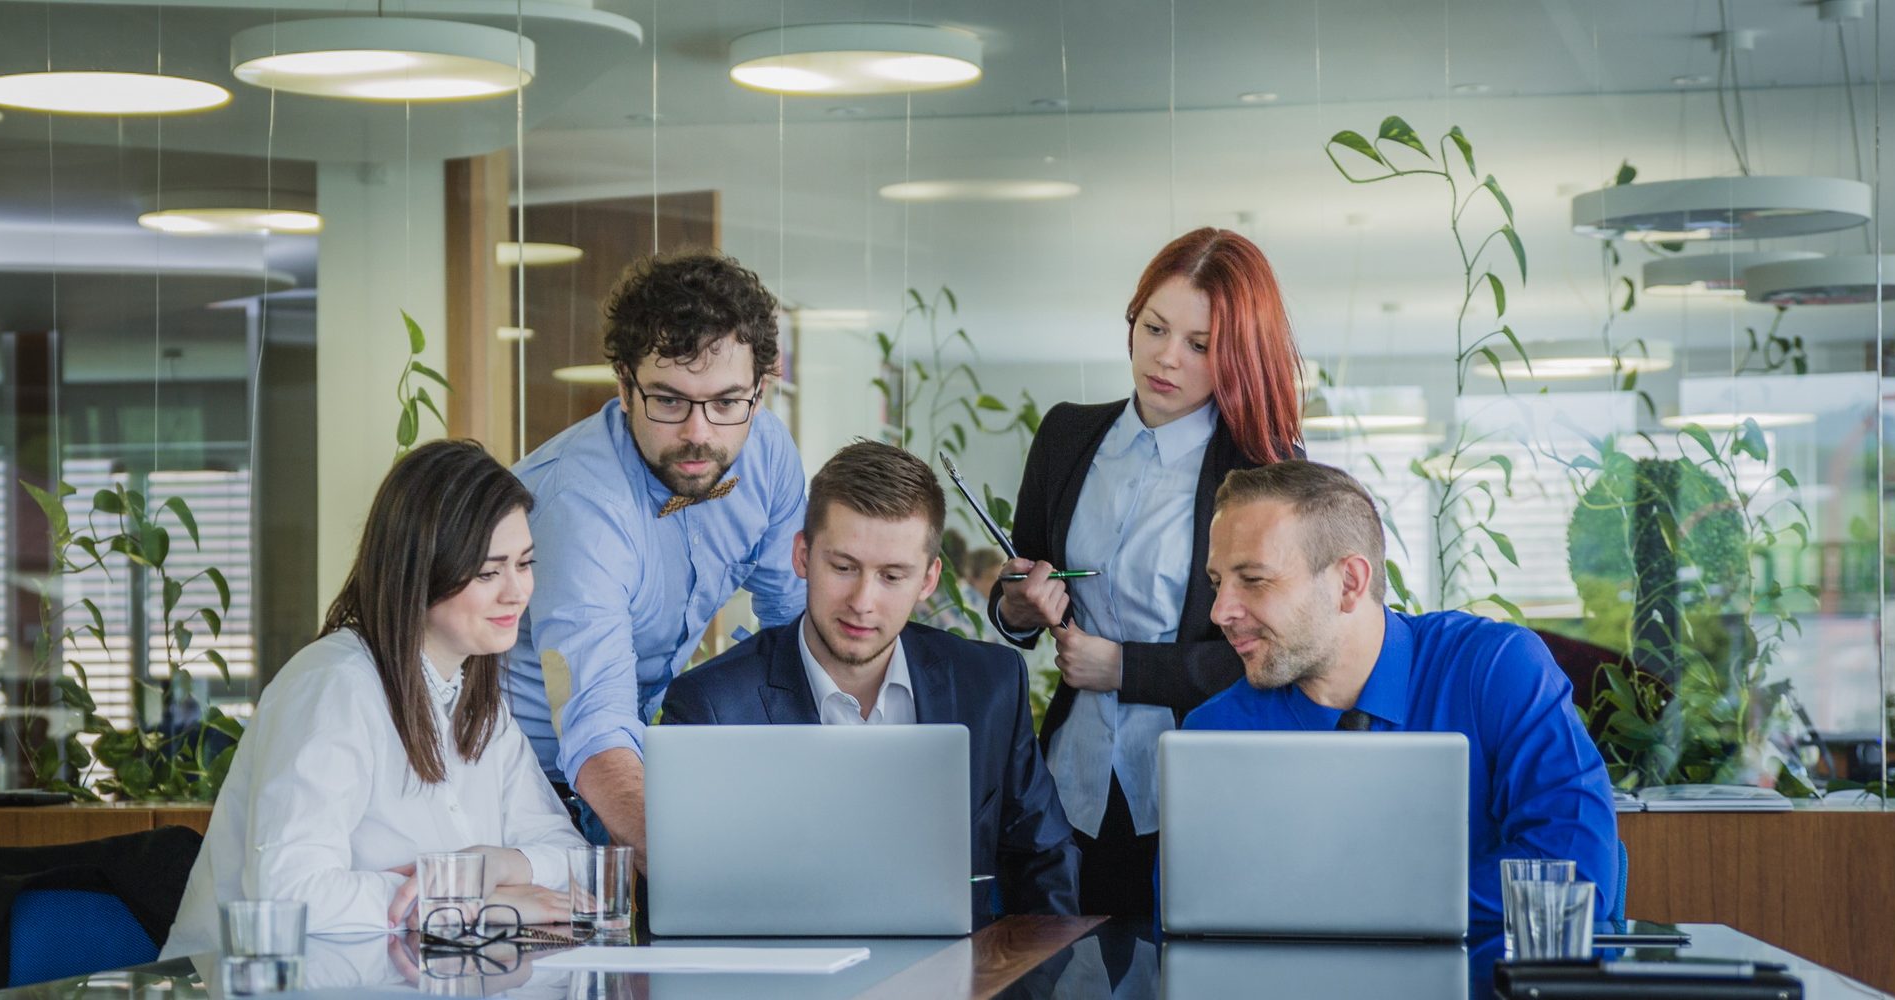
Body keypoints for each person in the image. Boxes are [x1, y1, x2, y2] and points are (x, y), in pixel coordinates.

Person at [163, 441, 587, 957]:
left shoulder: (478, 702)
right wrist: (475, 903)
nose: (518, 591)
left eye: (525, 563)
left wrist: (494, 866)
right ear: (422, 569)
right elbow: (288, 895)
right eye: (488, 572)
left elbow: (574, 861)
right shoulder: (334, 687)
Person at [989, 227, 1305, 918]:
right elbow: (1023, 583)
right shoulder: (1068, 436)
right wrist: (1017, 608)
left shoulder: (1265, 476)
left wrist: (1125, 667)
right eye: (1155, 328)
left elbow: (1281, 657)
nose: (1166, 358)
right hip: (1070, 783)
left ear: (1239, 357)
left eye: (1200, 345)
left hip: (1200, 788)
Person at [1188, 460, 1619, 923]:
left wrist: (1355, 904)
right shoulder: (1216, 734)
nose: (1220, 611)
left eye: (1253, 580)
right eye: (1217, 583)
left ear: (1349, 583)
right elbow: (1192, 917)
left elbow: (1578, 874)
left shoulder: (1495, 671)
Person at [662, 442, 1079, 916]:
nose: (862, 601)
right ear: (802, 556)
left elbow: (1045, 861)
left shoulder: (989, 685)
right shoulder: (711, 707)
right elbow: (696, 903)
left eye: (893, 576)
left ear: (927, 580)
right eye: (843, 568)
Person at [506, 249, 808, 853]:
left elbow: (793, 630)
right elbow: (590, 720)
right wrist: (702, 876)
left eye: (726, 402)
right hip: (528, 784)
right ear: (624, 384)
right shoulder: (582, 507)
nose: (699, 434)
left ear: (762, 388)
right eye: (668, 400)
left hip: (643, 758)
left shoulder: (767, 452)